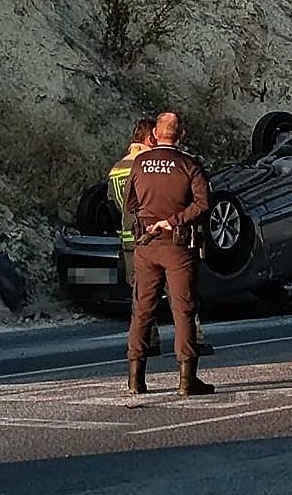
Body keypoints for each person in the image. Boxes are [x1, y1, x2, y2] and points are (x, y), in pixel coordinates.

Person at [125, 111, 214, 397]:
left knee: (142, 310)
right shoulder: (189, 165)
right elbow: (203, 204)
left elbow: (130, 204)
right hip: (178, 245)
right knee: (183, 311)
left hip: (146, 244)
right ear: (181, 135)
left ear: (155, 135)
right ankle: (186, 380)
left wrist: (151, 218)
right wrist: (174, 220)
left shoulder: (139, 163)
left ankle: (135, 380)